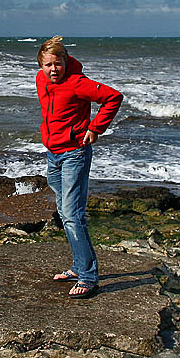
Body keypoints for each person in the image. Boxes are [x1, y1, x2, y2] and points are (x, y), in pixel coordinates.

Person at [35, 36, 123, 299]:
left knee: (73, 215)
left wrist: (95, 128)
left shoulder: (77, 84)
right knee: (64, 212)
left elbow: (113, 97)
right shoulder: (41, 80)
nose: (53, 69)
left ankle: (88, 277)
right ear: (41, 66)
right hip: (53, 154)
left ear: (66, 61)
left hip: (75, 153)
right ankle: (78, 267)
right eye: (48, 65)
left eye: (58, 63)